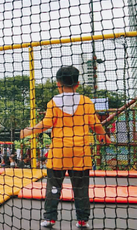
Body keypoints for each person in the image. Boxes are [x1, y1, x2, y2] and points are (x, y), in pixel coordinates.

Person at [20, 66, 111, 229]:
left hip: (59, 153)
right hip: (81, 153)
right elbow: (95, 124)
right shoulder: (86, 102)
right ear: (77, 84)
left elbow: (45, 124)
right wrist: (104, 136)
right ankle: (83, 220)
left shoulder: (53, 102)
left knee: (54, 186)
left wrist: (27, 131)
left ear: (58, 84)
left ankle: (50, 218)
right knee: (81, 189)